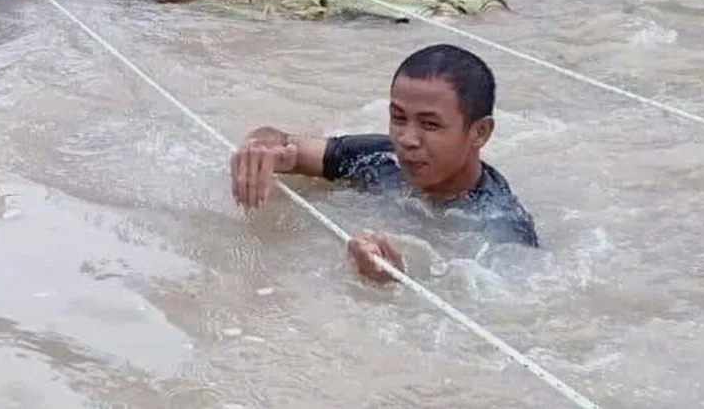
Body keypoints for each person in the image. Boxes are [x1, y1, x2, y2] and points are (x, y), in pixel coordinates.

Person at [229, 44, 538, 284]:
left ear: (479, 132)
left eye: (429, 125)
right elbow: (283, 142)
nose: (407, 139)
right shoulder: (379, 158)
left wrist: (394, 285)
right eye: (398, 118)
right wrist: (260, 150)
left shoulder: (501, 226)